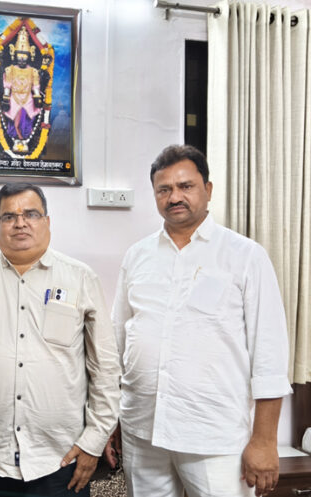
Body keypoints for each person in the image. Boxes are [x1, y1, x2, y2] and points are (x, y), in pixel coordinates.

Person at [107, 145, 292, 497]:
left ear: (207, 189)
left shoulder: (245, 256)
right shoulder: (137, 256)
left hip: (213, 436)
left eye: (185, 186)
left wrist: (265, 441)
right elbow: (117, 343)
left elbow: (269, 356)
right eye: (164, 189)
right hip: (142, 431)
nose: (174, 197)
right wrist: (112, 417)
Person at [0, 183, 121, 497]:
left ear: (47, 222)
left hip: (61, 461)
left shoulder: (80, 278)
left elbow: (105, 368)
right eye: (9, 216)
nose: (20, 223)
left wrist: (93, 442)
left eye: (31, 214)